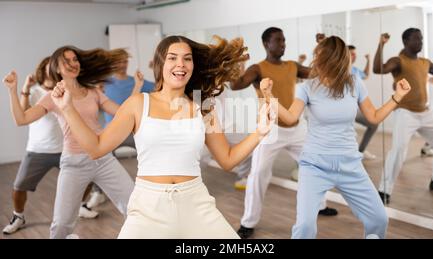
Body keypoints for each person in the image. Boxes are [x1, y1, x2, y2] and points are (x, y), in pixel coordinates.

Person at [49, 35, 274, 239]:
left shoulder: (203, 106)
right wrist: (67, 109)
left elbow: (227, 158)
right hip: (148, 207)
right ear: (160, 64)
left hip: (196, 203)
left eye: (187, 59)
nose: (180, 64)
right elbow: (96, 148)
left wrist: (260, 131)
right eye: (172, 58)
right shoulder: (138, 104)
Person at [262, 35, 412, 239]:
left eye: (324, 59)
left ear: (337, 60)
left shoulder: (354, 83)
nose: (319, 63)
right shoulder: (306, 88)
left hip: (349, 164)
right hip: (315, 165)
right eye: (319, 58)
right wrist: (268, 95)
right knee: (305, 228)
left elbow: (374, 117)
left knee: (379, 220)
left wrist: (398, 97)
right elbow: (289, 117)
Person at [3, 46, 135, 239]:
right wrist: (13, 90)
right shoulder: (53, 96)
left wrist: (139, 99)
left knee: (135, 206)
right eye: (67, 61)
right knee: (62, 225)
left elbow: (121, 112)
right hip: (74, 163)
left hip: (104, 158)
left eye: (75, 59)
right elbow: (21, 119)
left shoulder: (92, 91)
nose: (73, 63)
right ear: (56, 68)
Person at [230, 27, 338, 239]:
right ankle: (247, 222)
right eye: (278, 40)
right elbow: (235, 85)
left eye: (284, 40)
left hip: (296, 128)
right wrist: (235, 61)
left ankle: (320, 205)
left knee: (316, 166)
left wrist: (322, 47)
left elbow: (317, 73)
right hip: (270, 130)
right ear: (266, 44)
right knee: (258, 174)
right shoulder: (257, 68)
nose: (283, 44)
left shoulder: (292, 66)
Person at [374, 29, 433, 204]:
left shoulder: (424, 62)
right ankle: (383, 190)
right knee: (399, 149)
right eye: (417, 39)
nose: (421, 42)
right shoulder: (398, 61)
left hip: (425, 112)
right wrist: (381, 44)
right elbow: (378, 69)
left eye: (421, 39)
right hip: (405, 113)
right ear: (406, 41)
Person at [86, 50, 156, 209]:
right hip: (112, 132)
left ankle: (152, 190)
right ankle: (97, 192)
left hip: (133, 131)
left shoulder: (138, 81)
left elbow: (160, 87)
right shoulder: (103, 84)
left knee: (152, 154)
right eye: (119, 61)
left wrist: (155, 68)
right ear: (112, 64)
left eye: (125, 61)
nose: (122, 65)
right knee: (97, 160)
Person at [2, 57, 63, 234]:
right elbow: (22, 114)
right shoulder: (34, 91)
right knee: (19, 186)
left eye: (55, 67)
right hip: (38, 150)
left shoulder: (63, 90)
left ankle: (82, 205)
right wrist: (25, 88)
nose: (52, 69)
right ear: (43, 70)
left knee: (88, 177)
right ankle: (18, 216)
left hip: (65, 149)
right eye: (48, 66)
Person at [348, 45, 379, 160]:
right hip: (344, 109)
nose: (354, 55)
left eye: (355, 53)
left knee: (374, 124)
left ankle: (361, 151)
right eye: (351, 53)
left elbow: (366, 75)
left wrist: (368, 60)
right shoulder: (338, 69)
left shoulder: (355, 70)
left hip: (356, 109)